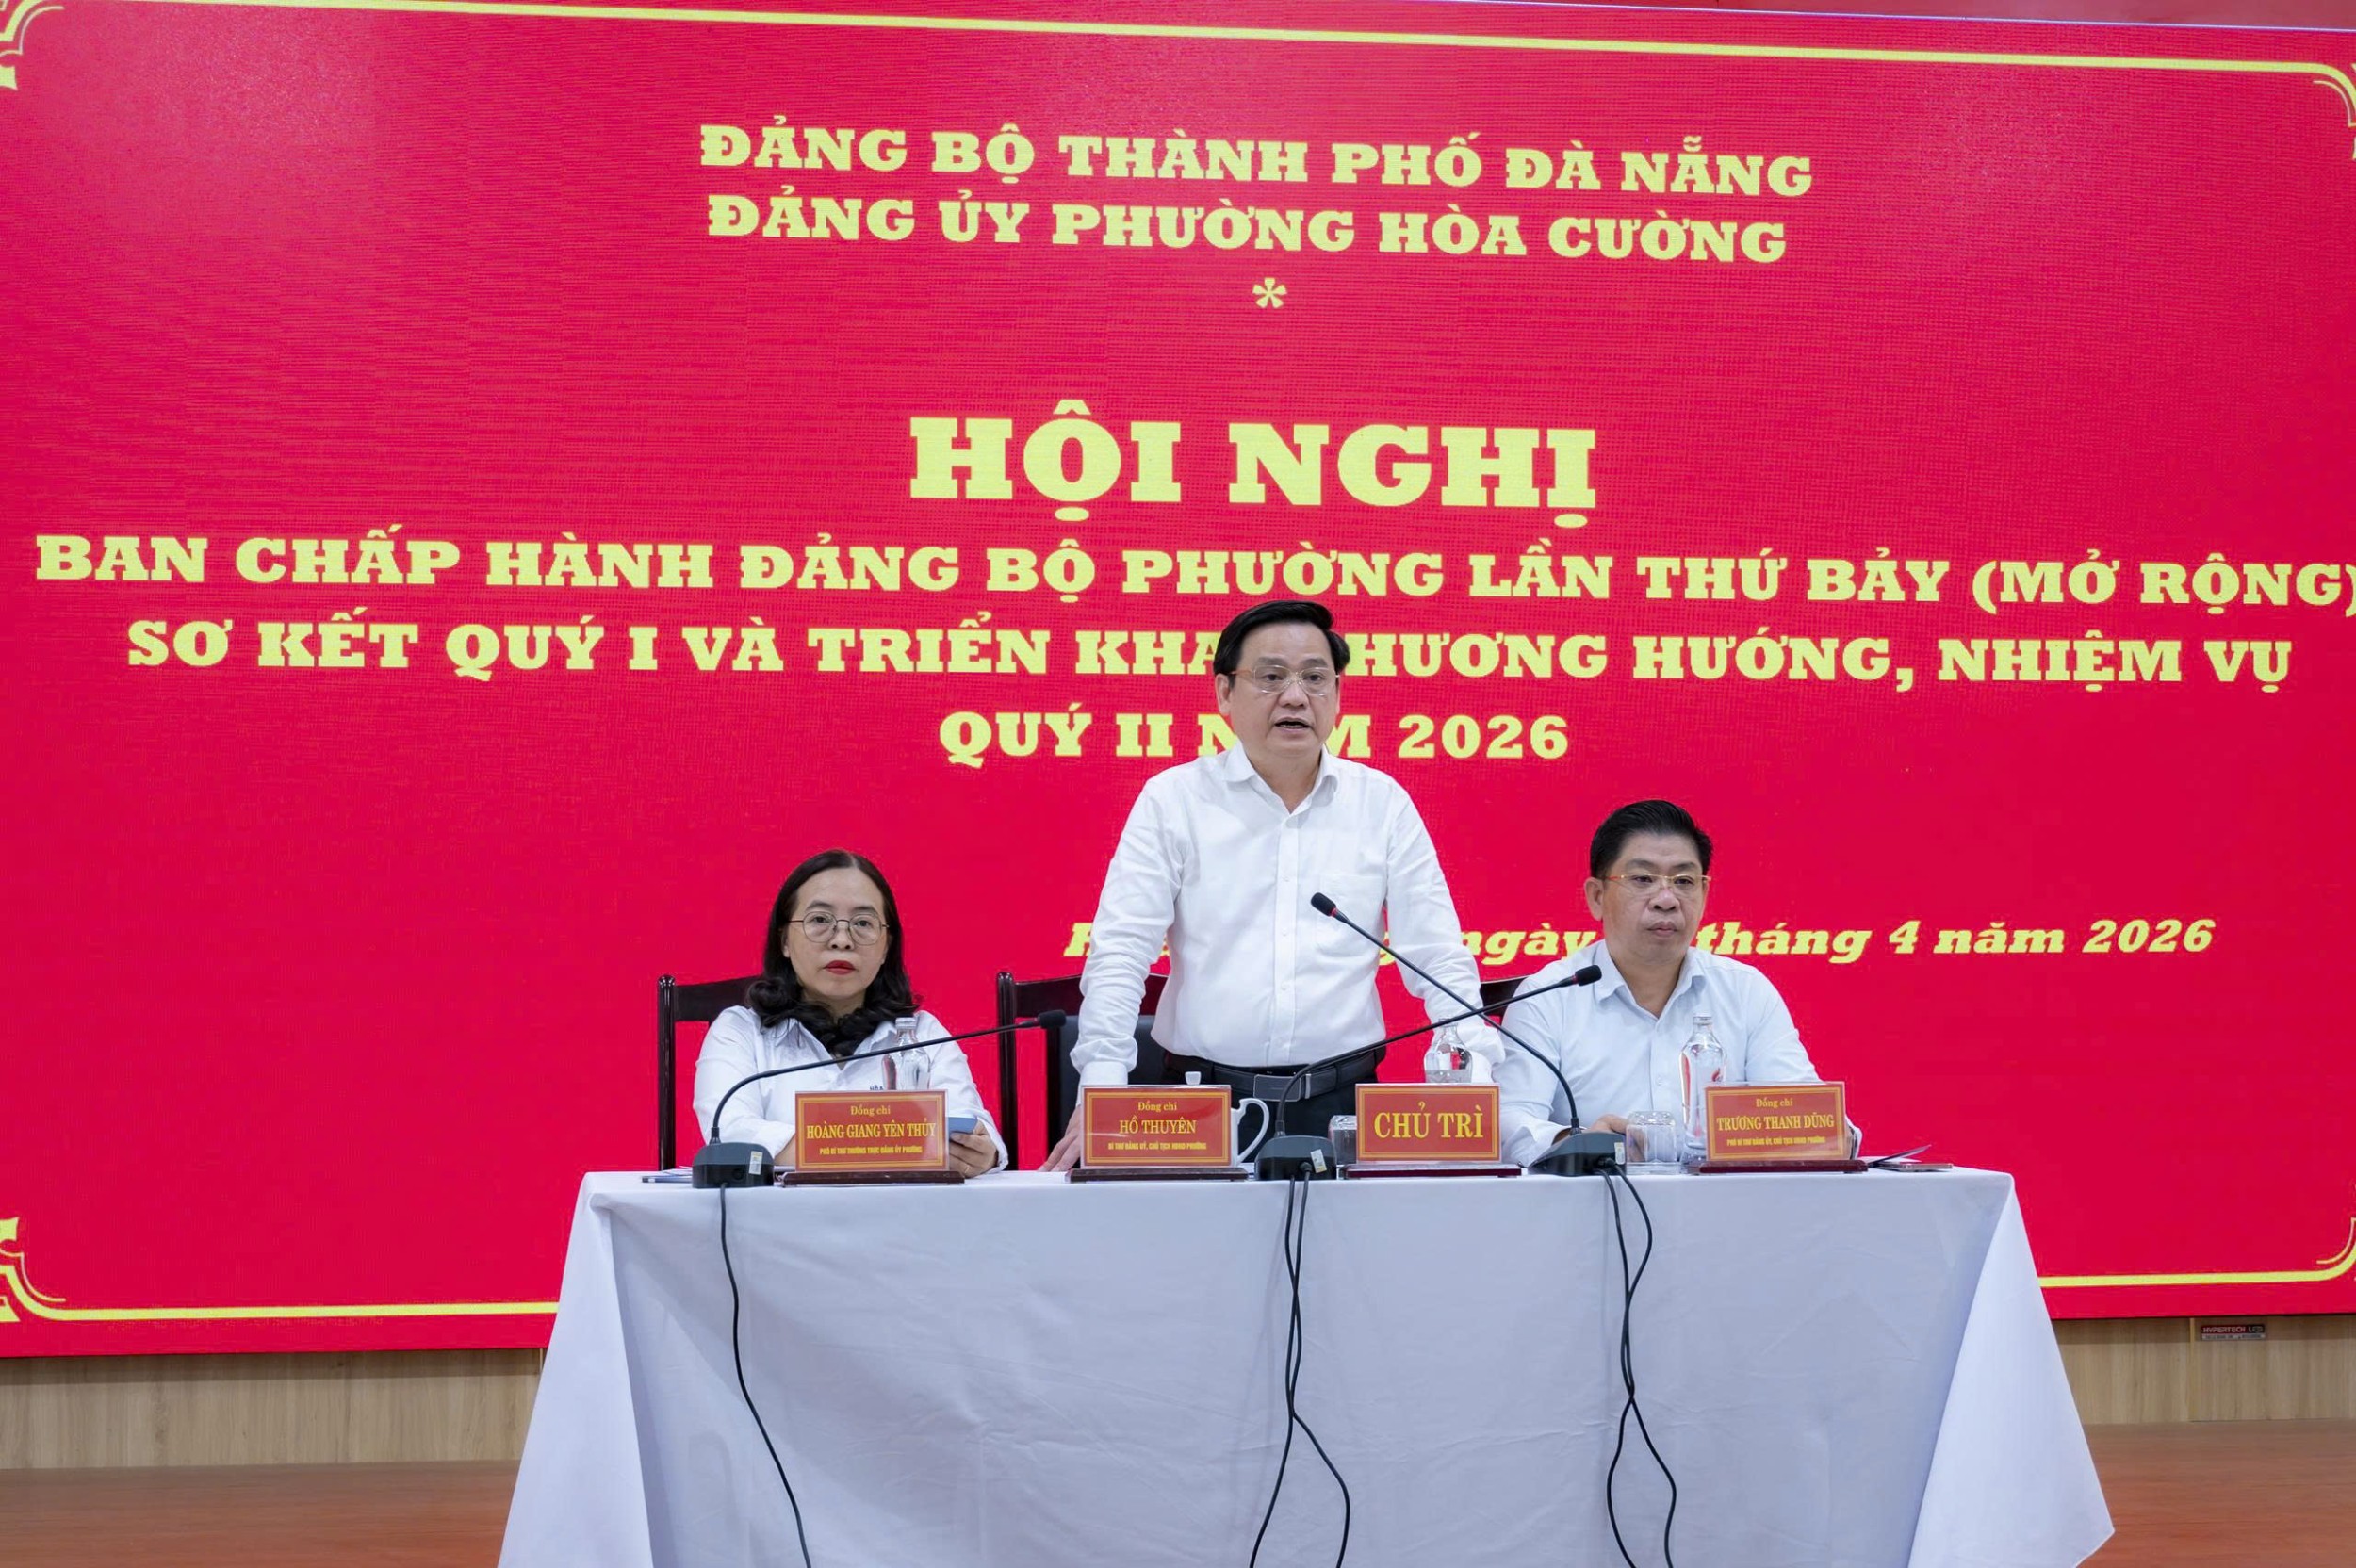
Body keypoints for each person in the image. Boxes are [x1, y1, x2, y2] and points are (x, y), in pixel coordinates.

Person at [1044, 599, 1499, 1170]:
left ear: (1338, 694)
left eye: (1315, 678)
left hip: (1343, 1106)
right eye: (1271, 677)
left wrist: (1475, 1067)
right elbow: (1121, 951)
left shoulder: (1381, 804)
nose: (1295, 697)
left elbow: (1436, 954)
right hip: (1198, 1106)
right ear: (1224, 694)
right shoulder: (1175, 800)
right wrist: (1103, 1088)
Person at [1498, 799, 1849, 1167]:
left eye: (1683, 882)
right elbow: (1509, 1121)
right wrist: (1579, 1143)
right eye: (1642, 879)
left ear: (1704, 894)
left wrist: (1831, 1136)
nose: (1666, 900)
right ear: (1597, 897)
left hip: (1727, 1200)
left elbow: (1805, 1114)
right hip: (1597, 1197)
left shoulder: (1745, 992)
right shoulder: (1548, 996)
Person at [695, 849, 1004, 1176]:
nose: (842, 940)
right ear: (784, 940)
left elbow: (971, 1122)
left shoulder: (923, 1034)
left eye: (863, 924)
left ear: (885, 947)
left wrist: (980, 1153)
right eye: (820, 920)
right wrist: (881, 1146)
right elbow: (730, 1133)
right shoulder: (740, 1031)